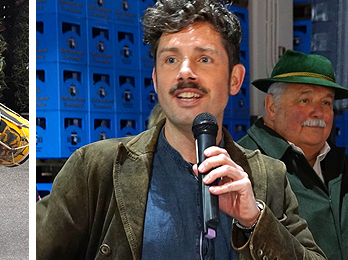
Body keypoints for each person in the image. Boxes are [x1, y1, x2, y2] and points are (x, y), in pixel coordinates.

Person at [36, 0, 325, 259]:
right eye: (171, 59)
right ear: (156, 79)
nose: (185, 71)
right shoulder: (97, 168)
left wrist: (256, 221)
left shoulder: (269, 176)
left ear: (235, 80)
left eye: (204, 58)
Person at [237, 50, 348, 259]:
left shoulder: (340, 165)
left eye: (326, 102)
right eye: (305, 100)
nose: (318, 112)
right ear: (271, 106)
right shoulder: (246, 166)